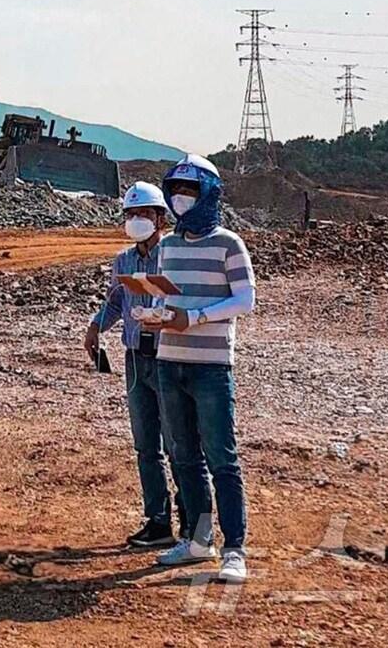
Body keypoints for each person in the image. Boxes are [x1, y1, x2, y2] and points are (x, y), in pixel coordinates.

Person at [140, 154, 255, 583]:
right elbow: (165, 295)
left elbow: (245, 300)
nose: (181, 198)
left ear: (209, 194)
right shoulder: (168, 245)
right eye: (176, 191)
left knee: (222, 458)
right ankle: (198, 539)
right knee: (184, 456)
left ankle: (234, 548)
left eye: (190, 190)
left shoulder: (229, 244)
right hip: (169, 361)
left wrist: (195, 317)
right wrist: (154, 313)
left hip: (211, 366)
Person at [85, 182, 188, 548]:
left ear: (161, 218)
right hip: (134, 358)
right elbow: (116, 301)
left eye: (143, 213)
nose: (136, 220)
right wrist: (96, 326)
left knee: (178, 444)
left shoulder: (176, 255)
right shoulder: (123, 261)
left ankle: (191, 521)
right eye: (130, 214)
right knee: (146, 445)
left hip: (168, 358)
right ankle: (158, 522)